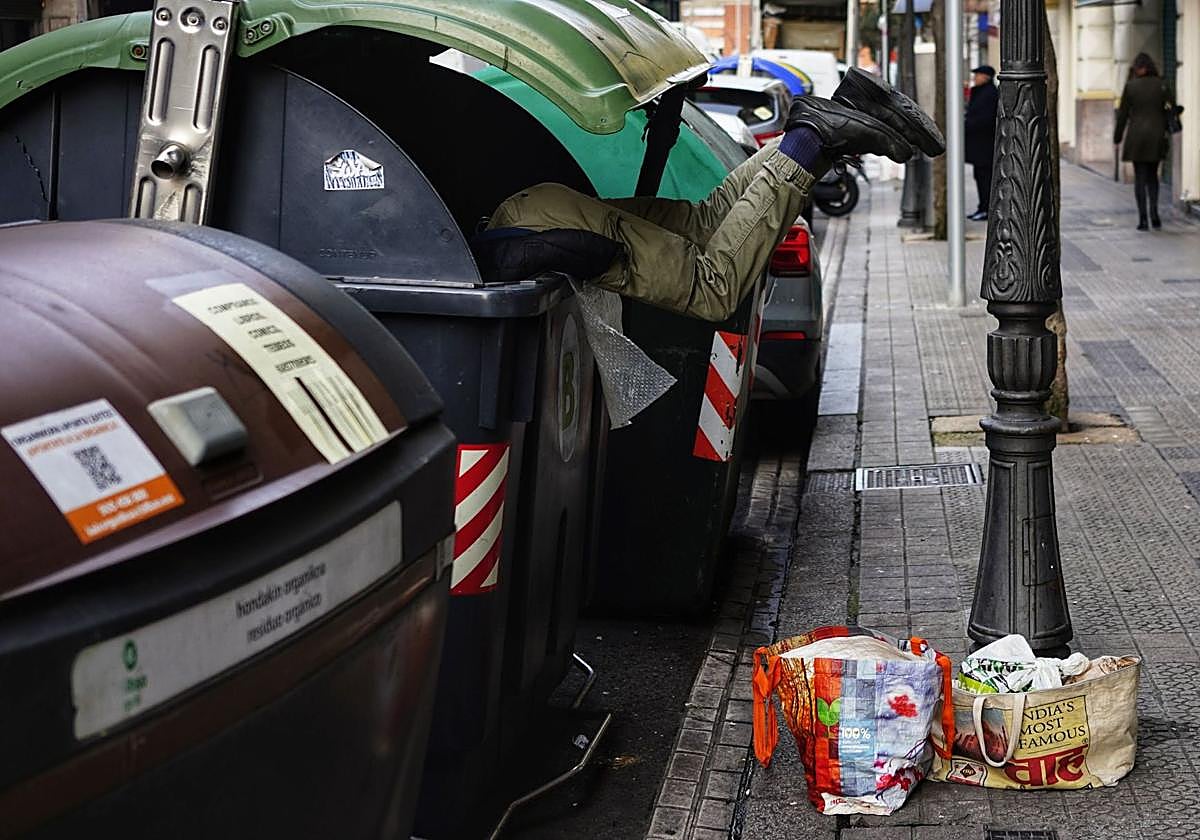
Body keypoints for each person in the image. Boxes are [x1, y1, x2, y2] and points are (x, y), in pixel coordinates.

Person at [485, 68, 944, 322]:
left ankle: (813, 134)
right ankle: (847, 106)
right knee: (709, 223)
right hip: (534, 208)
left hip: (535, 231)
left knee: (711, 288)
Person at [1114, 52, 1172, 230]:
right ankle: (1154, 215)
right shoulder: (1162, 85)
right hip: (1156, 136)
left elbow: (1123, 115)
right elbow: (1170, 109)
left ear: (1139, 68)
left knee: (1139, 177)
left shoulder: (1131, 86)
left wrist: (1117, 137)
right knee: (1153, 176)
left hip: (1136, 137)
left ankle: (1143, 219)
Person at [964, 64, 998, 222]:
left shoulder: (989, 94)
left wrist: (967, 125)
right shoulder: (980, 92)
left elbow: (984, 119)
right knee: (980, 176)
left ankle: (986, 209)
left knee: (985, 178)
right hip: (979, 145)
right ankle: (983, 207)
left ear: (985, 77)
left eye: (977, 75)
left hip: (985, 145)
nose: (975, 78)